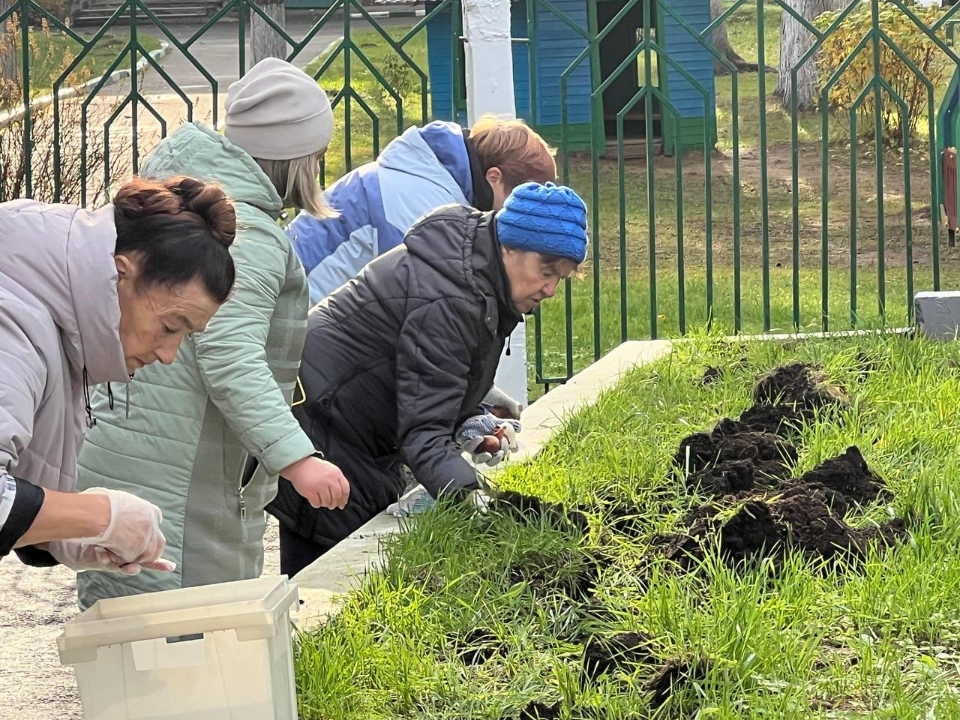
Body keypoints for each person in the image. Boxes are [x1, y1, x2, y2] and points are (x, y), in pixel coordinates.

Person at [75, 58, 350, 610]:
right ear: (300, 159)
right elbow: (229, 354)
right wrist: (296, 458)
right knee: (191, 637)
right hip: (187, 472)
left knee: (130, 626)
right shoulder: (245, 234)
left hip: (141, 449)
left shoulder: (190, 210)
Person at [268, 182, 588, 577]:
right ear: (510, 246)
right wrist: (483, 507)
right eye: (546, 272)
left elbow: (432, 378)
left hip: (348, 423)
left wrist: (468, 422)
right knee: (331, 587)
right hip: (325, 426)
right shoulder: (451, 298)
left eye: (562, 278)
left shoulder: (475, 273)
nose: (552, 289)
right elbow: (423, 433)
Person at [0, 175, 237, 576]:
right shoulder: (12, 320)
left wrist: (57, 536)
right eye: (170, 326)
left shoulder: (53, 305)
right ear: (119, 274)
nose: (168, 355)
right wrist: (95, 516)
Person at [289, 116, 556, 420]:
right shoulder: (425, 209)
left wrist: (479, 399)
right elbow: (419, 339)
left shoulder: (423, 179)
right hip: (297, 358)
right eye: (518, 204)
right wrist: (472, 412)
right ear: (493, 177)